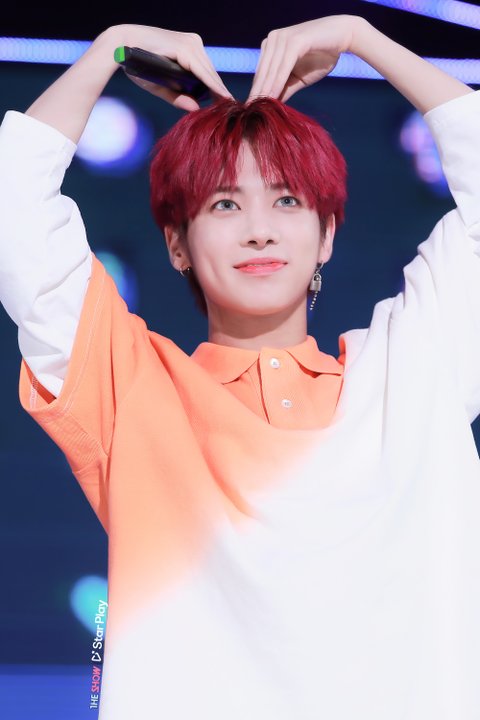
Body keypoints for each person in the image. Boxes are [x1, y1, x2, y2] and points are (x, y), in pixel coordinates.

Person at [0, 13, 479, 719]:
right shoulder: (130, 387)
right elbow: (14, 207)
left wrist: (362, 37)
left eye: (286, 200)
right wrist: (109, 49)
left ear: (326, 235)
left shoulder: (411, 372)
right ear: (177, 243)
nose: (259, 229)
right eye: (225, 203)